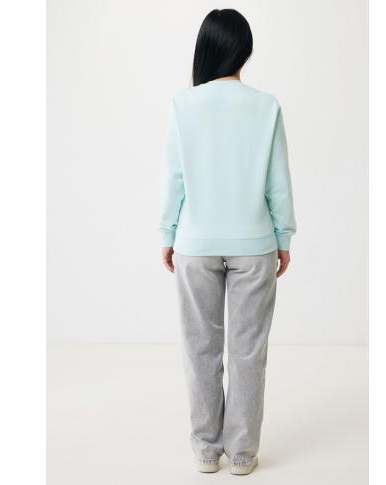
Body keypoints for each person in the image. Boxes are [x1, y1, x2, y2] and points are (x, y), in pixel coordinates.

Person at [158, 8, 296, 476]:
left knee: (200, 351)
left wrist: (167, 233)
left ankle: (205, 451)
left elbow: (173, 178)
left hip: (195, 243)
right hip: (255, 244)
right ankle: (241, 454)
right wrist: (283, 236)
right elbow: (278, 182)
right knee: (248, 353)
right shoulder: (266, 106)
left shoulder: (183, 105)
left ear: (206, 48)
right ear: (245, 49)